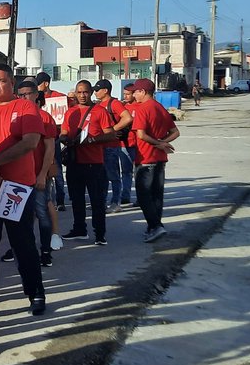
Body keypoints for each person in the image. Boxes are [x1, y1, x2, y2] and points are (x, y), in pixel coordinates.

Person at [0, 68, 48, 316]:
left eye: (1, 81)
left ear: (12, 83)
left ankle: (35, 292)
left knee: (23, 243)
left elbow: (30, 142)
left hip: (15, 188)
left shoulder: (26, 108)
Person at [129, 79, 180, 243]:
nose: (134, 94)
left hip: (146, 158)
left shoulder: (143, 108)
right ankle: (154, 227)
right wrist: (163, 142)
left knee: (144, 196)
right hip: (160, 159)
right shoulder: (159, 107)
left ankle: (156, 226)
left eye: (136, 91)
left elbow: (141, 135)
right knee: (157, 196)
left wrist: (158, 143)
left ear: (143, 92)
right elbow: (175, 132)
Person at [61, 80, 109, 246]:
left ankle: (100, 234)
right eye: (79, 92)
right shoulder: (70, 112)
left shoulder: (100, 111)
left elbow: (110, 134)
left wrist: (92, 140)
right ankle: (79, 229)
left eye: (85, 92)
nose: (82, 95)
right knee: (76, 199)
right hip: (75, 162)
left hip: (94, 163)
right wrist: (64, 138)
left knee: (96, 200)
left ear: (91, 93)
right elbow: (64, 131)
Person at [17, 81, 57, 268]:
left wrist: (42, 174)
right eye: (20, 94)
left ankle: (46, 250)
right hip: (18, 176)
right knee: (20, 216)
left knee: (41, 212)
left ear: (35, 95)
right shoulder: (15, 116)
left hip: (38, 175)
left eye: (27, 94)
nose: (23, 97)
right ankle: (24, 249)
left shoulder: (44, 117)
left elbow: (50, 149)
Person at [93, 80, 133, 214]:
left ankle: (116, 202)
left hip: (111, 146)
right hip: (101, 145)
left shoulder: (114, 103)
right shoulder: (99, 105)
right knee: (101, 176)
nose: (95, 92)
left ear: (105, 90)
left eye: (97, 89)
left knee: (113, 176)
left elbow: (127, 118)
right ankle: (102, 202)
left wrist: (112, 130)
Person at [35, 72, 67, 211]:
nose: (37, 87)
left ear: (46, 83)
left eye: (39, 83)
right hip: (40, 139)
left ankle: (60, 200)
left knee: (56, 169)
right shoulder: (36, 98)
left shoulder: (59, 97)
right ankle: (49, 200)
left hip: (55, 137)